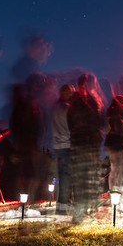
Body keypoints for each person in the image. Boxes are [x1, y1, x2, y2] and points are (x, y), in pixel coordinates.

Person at [67, 73, 104, 222]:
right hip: (87, 144)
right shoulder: (87, 103)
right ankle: (85, 210)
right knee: (88, 178)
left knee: (81, 178)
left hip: (79, 143)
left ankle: (82, 210)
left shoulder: (76, 103)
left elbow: (71, 124)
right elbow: (96, 122)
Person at [51, 84, 74, 214]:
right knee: (66, 176)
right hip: (66, 145)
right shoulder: (65, 109)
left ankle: (62, 202)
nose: (72, 96)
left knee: (62, 175)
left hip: (58, 146)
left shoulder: (56, 108)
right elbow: (70, 127)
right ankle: (63, 204)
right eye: (70, 93)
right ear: (64, 93)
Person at [104, 95, 123, 192]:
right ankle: (114, 189)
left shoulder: (112, 113)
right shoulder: (116, 115)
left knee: (114, 167)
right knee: (116, 167)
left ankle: (113, 188)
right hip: (115, 143)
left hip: (111, 142)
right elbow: (118, 131)